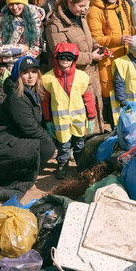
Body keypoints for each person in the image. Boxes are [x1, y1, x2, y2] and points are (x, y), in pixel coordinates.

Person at [0, 55, 56, 199]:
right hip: (2, 146)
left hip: (10, 138)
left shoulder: (30, 90)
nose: (30, 76)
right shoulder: (17, 97)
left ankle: (24, 165)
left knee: (45, 144)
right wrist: (50, 142)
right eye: (25, 72)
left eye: (34, 72)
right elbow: (30, 128)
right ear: (18, 74)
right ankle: (18, 173)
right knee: (47, 149)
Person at [44, 0, 105, 130]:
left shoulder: (80, 17)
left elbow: (84, 39)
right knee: (80, 115)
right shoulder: (55, 25)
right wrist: (91, 57)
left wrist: (95, 45)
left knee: (94, 109)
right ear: (70, 3)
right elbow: (61, 55)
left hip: (89, 73)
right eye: (81, 6)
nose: (84, 9)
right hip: (72, 79)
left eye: (86, 6)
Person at [0, 0, 45, 115]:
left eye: (18, 3)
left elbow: (37, 47)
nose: (14, 7)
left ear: (24, 2)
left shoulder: (35, 20)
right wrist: (21, 49)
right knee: (4, 105)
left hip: (27, 70)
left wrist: (19, 63)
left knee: (25, 106)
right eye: (11, 4)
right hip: (4, 70)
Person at [42, 43, 96, 178]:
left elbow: (88, 98)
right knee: (63, 145)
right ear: (56, 58)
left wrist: (91, 117)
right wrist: (47, 120)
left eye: (69, 58)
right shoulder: (48, 79)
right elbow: (45, 102)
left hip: (78, 119)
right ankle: (62, 164)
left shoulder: (81, 77)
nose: (65, 61)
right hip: (60, 121)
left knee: (79, 145)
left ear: (74, 59)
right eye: (62, 57)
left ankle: (81, 165)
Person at [87, 0, 135, 125]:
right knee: (109, 94)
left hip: (125, 58)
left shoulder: (125, 6)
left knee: (125, 94)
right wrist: (118, 39)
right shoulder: (94, 10)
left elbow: (131, 29)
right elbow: (96, 38)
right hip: (108, 60)